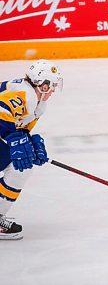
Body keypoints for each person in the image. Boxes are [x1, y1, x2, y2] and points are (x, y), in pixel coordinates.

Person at [0, 59, 63, 240]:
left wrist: (29, 143)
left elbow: (17, 128)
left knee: (21, 167)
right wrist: (14, 138)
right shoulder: (25, 94)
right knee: (19, 167)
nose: (52, 91)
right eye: (51, 86)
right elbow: (2, 110)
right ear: (42, 85)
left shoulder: (35, 101)